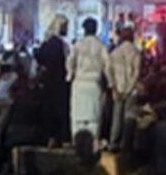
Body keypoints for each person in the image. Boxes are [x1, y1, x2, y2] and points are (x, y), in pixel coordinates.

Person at [67, 17, 110, 140]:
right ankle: (93, 144)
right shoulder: (101, 46)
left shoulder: (78, 45)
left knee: (77, 118)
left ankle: (76, 143)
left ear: (84, 29)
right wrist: (110, 83)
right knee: (94, 118)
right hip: (94, 85)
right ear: (96, 29)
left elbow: (70, 61)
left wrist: (70, 75)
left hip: (79, 84)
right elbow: (108, 65)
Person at [36, 15, 70, 145]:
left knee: (49, 111)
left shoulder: (48, 43)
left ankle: (51, 137)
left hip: (48, 82)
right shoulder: (60, 45)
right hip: (59, 82)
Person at [108, 25, 140, 151]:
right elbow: (136, 73)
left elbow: (110, 72)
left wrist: (114, 88)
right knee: (128, 119)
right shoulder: (135, 52)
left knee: (116, 117)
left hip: (118, 90)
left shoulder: (115, 52)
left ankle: (113, 143)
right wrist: (129, 90)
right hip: (130, 91)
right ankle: (125, 145)